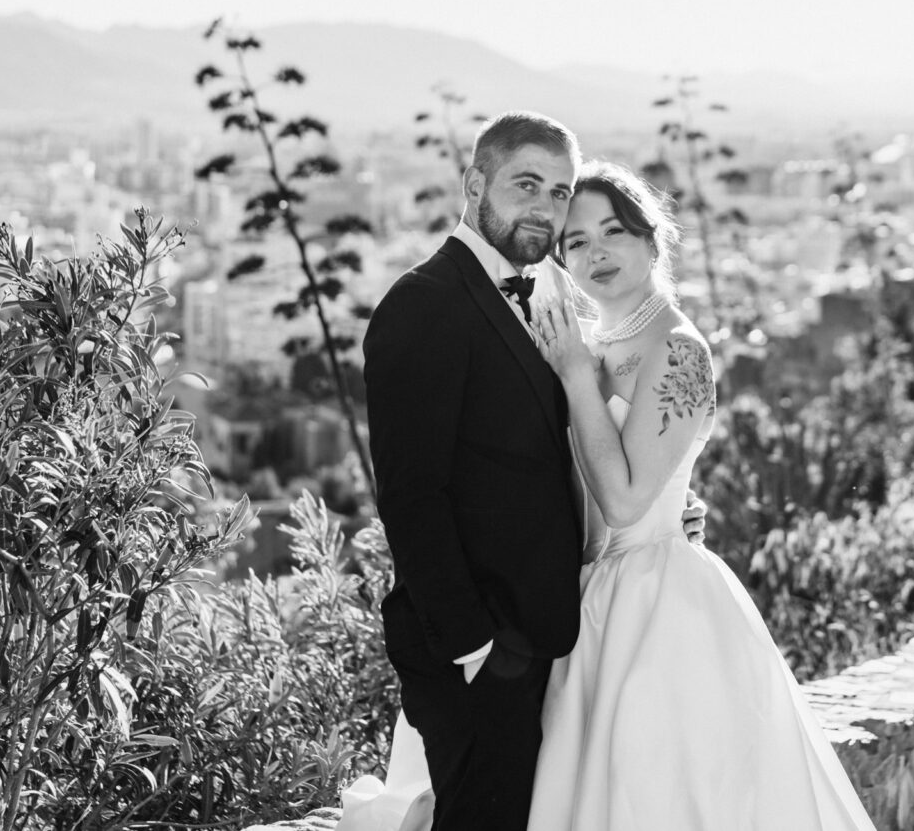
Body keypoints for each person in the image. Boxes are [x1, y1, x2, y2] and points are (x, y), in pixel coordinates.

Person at [360, 113, 704, 831]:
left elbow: (554, 449)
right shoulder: (425, 304)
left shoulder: (545, 302)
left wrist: (664, 506)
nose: (546, 209)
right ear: (475, 183)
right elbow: (412, 495)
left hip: (552, 633)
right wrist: (475, 645)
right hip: (478, 650)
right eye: (527, 186)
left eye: (559, 192)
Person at [523, 161, 877, 829]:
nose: (595, 252)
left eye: (613, 231)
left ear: (652, 240)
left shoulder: (678, 349)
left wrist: (574, 376)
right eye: (575, 241)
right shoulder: (593, 342)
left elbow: (627, 504)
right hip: (591, 598)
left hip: (660, 604)